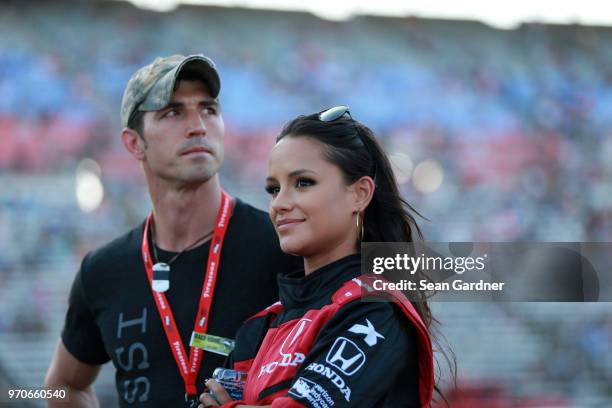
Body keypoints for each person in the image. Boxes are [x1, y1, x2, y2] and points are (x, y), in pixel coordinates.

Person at [45, 54, 297, 407]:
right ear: (134, 143)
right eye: (173, 112)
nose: (198, 125)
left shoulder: (286, 242)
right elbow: (61, 387)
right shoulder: (103, 270)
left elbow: (385, 316)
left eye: (208, 109)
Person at [199, 106, 442, 408]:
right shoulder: (260, 326)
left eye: (303, 183)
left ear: (359, 194)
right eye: (274, 189)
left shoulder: (375, 307)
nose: (280, 204)